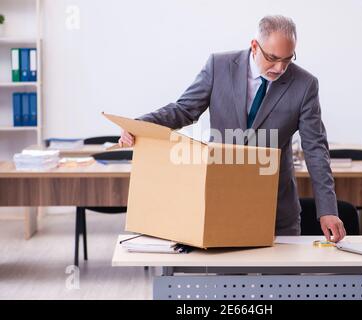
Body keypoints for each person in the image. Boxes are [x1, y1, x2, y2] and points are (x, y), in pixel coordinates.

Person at [119, 15, 346, 242]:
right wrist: (138, 125)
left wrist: (327, 209)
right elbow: (184, 109)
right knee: (226, 277)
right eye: (273, 58)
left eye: (287, 59)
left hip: (276, 207)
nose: (280, 68)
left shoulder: (305, 84)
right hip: (221, 198)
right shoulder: (219, 66)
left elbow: (315, 149)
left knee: (279, 277)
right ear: (254, 46)